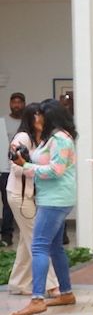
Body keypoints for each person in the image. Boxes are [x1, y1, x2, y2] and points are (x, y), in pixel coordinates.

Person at [9, 100, 78, 315]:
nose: (37, 118)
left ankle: (37, 299)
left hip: (54, 200)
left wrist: (26, 166)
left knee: (39, 246)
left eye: (41, 115)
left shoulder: (59, 139)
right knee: (55, 247)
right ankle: (66, 293)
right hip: (55, 198)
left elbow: (56, 170)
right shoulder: (53, 138)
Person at [6, 102, 59, 296]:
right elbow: (15, 166)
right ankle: (52, 285)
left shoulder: (41, 139)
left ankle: (18, 283)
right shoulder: (22, 138)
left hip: (30, 195)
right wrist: (36, 170)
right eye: (38, 115)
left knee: (26, 241)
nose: (42, 119)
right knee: (37, 240)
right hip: (20, 195)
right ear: (31, 118)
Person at [1, 92, 25, 247]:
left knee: (15, 202)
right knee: (7, 202)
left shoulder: (26, 123)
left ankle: (13, 235)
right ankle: (6, 235)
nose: (16, 105)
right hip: (4, 167)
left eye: (19, 102)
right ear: (10, 104)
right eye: (13, 102)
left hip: (21, 168)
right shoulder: (3, 122)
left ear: (23, 104)